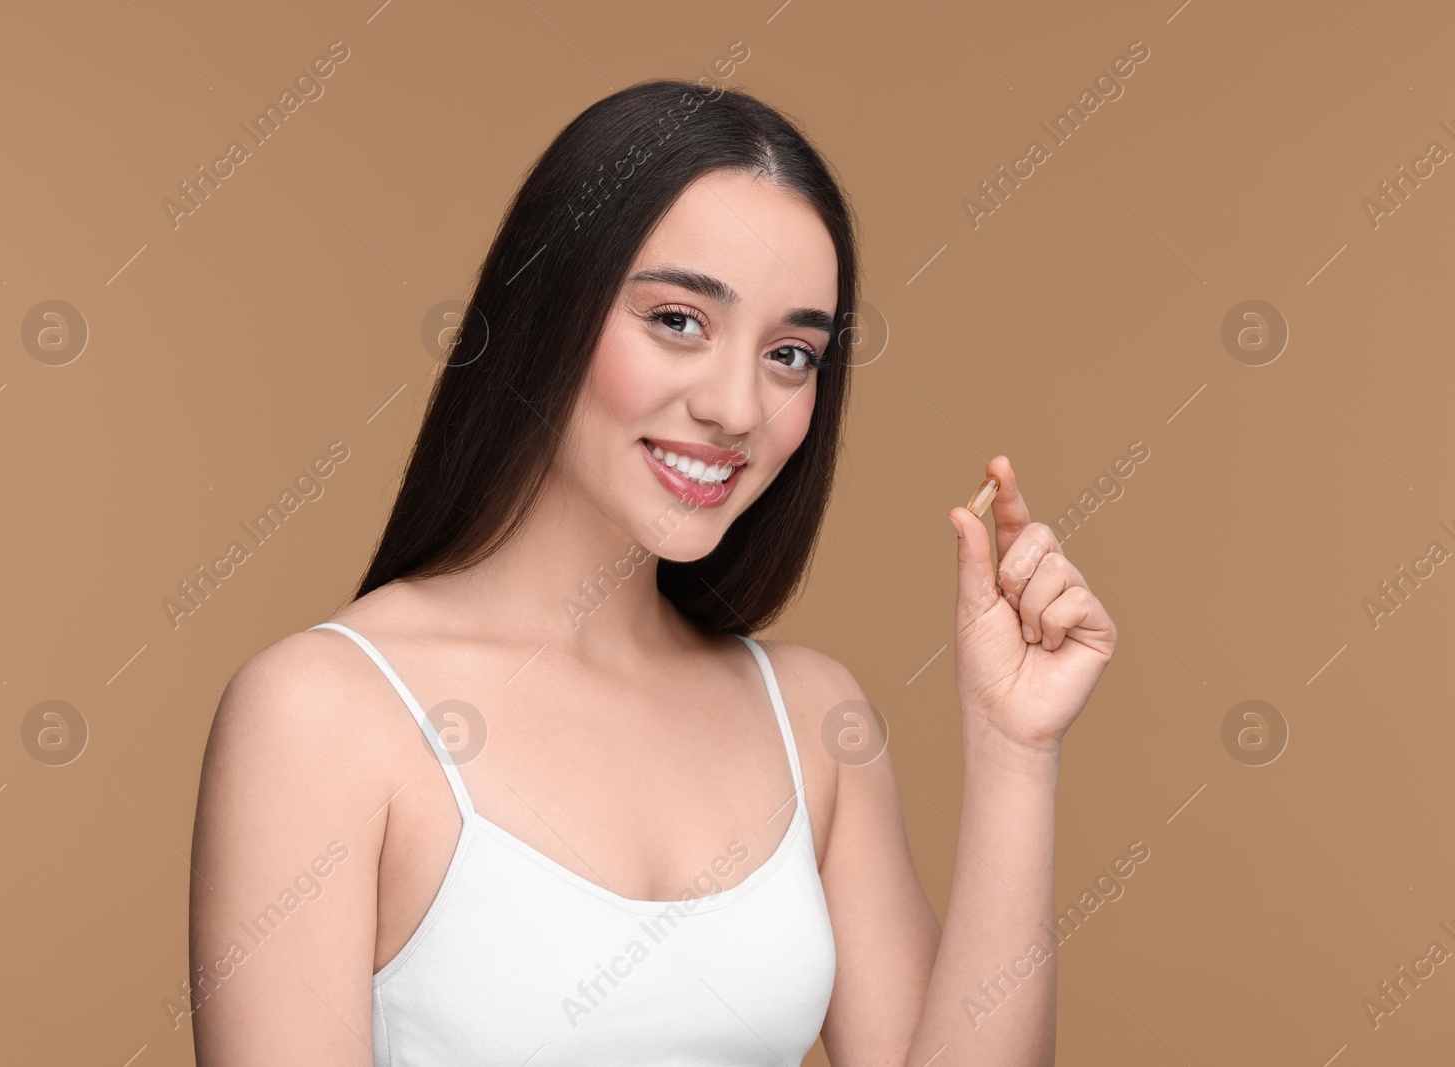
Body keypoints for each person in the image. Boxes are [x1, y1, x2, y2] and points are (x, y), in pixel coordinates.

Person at [188, 77, 1116, 1066]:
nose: (734, 407)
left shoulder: (813, 719)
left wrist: (1015, 748)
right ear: (552, 306)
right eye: (678, 320)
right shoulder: (323, 711)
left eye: (791, 353)